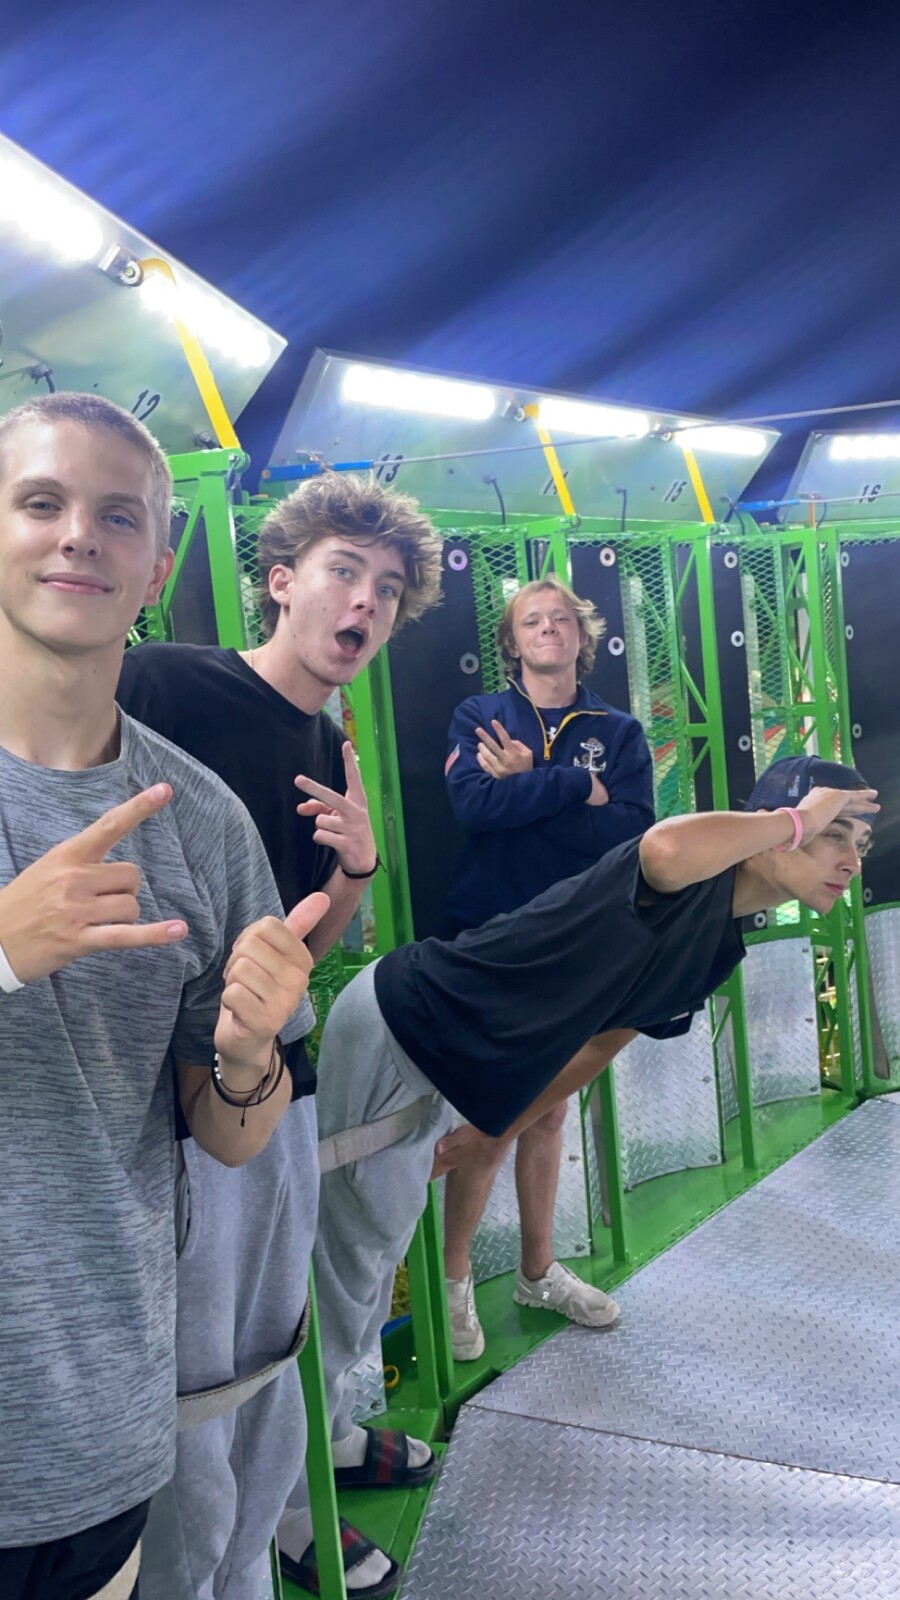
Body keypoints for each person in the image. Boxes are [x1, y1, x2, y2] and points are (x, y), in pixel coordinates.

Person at [301, 754, 876, 1568]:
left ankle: (328, 1440)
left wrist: (494, 1131)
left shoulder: (716, 945)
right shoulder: (683, 875)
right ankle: (290, 1504)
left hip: (440, 1061)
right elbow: (665, 848)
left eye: (860, 843)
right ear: (777, 826)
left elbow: (603, 1041)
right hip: (404, 1028)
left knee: (366, 1262)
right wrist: (796, 818)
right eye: (834, 835)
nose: (850, 860)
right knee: (345, 1272)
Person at [0, 392, 325, 1600]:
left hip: (98, 1429)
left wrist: (247, 1054)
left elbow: (229, 1132)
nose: (78, 535)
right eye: (41, 502)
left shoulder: (202, 819)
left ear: (156, 568)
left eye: (118, 515)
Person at [118, 471, 444, 1600]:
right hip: (172, 1099)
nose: (365, 603)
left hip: (278, 1090)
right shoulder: (170, 682)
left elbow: (308, 947)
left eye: (387, 588)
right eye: (344, 571)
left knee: (268, 1355)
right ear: (280, 581)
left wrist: (356, 867)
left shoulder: (325, 738)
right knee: (194, 1391)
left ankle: (265, 1549)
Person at [442, 576, 654, 1358]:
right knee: (494, 1110)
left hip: (582, 935)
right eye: (532, 621)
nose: (548, 629)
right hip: (495, 936)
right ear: (512, 640)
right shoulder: (480, 716)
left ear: (581, 635)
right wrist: (573, 786)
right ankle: (453, 1280)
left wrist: (527, 785)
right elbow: (475, 810)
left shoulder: (619, 732)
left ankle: (536, 1271)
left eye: (561, 619)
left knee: (552, 1110)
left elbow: (629, 834)